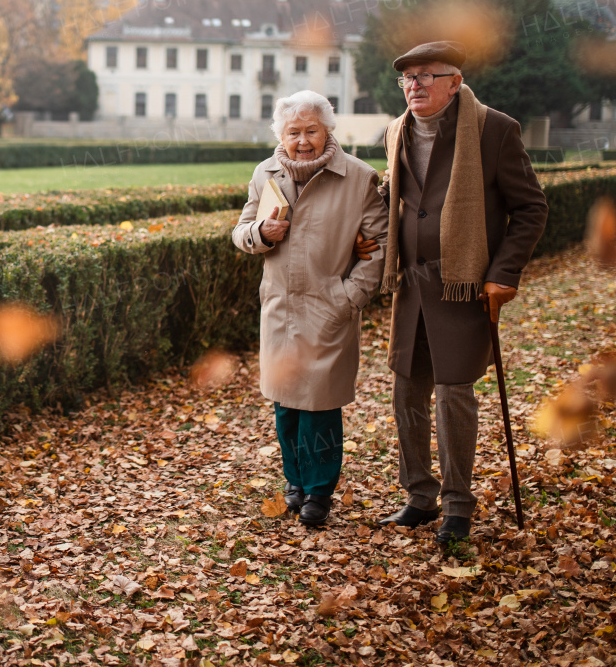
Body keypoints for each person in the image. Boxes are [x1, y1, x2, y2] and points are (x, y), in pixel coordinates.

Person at [376, 41, 548, 545]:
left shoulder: (494, 128)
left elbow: (531, 208)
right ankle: (419, 498)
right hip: (412, 286)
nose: (415, 86)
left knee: (454, 393)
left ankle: (457, 506)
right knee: (406, 389)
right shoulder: (395, 131)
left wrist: (504, 272)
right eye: (407, 78)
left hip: (464, 285)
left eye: (427, 76)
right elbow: (400, 196)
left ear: (455, 81)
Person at [233, 91, 388, 527]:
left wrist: (350, 296)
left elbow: (379, 246)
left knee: (320, 405)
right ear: (281, 135)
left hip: (329, 308)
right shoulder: (266, 173)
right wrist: (261, 232)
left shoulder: (358, 177)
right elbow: (241, 231)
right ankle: (295, 483)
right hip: (279, 308)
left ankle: (319, 492)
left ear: (328, 131)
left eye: (311, 130)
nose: (302, 140)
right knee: (285, 404)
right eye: (293, 132)